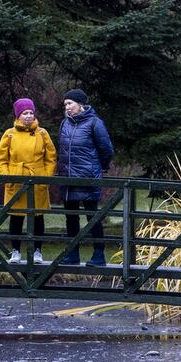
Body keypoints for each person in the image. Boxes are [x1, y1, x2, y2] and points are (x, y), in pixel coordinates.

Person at [0, 98, 56, 265]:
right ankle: (15, 251)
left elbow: (51, 157)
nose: (28, 116)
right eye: (25, 113)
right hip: (16, 179)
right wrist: (7, 177)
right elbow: (1, 159)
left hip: (37, 178)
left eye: (31, 113)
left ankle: (37, 251)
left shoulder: (43, 133)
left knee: (37, 217)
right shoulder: (9, 134)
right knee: (16, 217)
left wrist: (46, 177)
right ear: (18, 115)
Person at [56, 88, 114, 267]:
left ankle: (99, 255)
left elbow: (107, 150)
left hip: (88, 179)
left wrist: (99, 169)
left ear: (80, 104)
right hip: (68, 179)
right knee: (71, 217)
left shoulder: (95, 123)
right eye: (65, 104)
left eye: (70, 103)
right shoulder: (64, 124)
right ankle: (72, 253)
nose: (67, 107)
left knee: (92, 217)